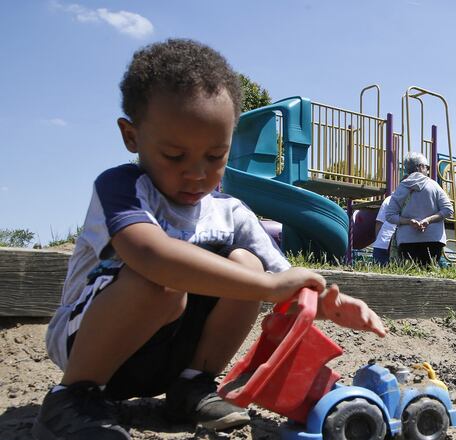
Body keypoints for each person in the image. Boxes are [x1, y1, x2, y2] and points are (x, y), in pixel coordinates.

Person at [33, 39, 386, 440]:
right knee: (163, 281)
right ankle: (72, 398)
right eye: (174, 155)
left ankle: (191, 385)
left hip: (168, 354)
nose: (197, 173)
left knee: (248, 265)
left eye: (215, 156)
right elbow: (150, 254)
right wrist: (269, 286)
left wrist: (324, 302)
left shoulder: (230, 212)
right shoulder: (123, 189)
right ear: (131, 137)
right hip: (90, 347)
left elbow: (280, 280)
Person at [385, 152, 454, 266]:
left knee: (409, 275)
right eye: (427, 167)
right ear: (421, 167)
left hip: (407, 240)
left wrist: (409, 221)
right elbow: (448, 210)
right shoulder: (434, 185)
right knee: (429, 273)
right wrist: (428, 220)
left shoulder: (401, 188)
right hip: (433, 239)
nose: (427, 170)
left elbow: (389, 215)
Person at [372, 195, 397, 266]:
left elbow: (379, 222)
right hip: (399, 244)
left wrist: (377, 240)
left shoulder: (389, 199)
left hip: (382, 242)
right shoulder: (412, 200)